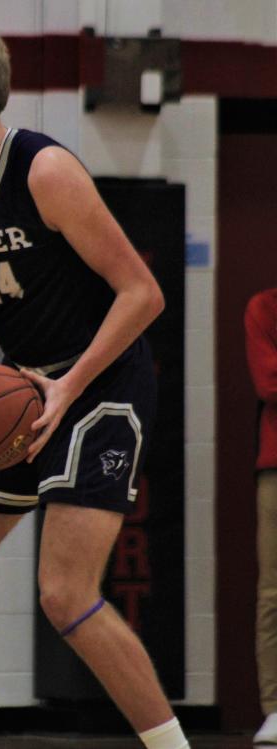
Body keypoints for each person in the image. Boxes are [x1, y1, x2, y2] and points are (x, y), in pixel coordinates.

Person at [0, 22, 190, 749]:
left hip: (101, 385)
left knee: (65, 593)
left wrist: (68, 384)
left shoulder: (45, 172)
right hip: (18, 392)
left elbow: (142, 294)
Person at [245, 289, 277, 745]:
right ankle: (274, 708)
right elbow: (268, 381)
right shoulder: (264, 307)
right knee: (273, 590)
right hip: (276, 465)